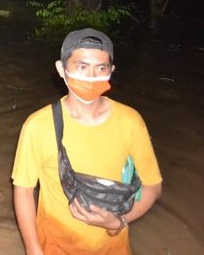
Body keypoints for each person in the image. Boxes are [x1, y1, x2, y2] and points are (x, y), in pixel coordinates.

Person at [12, 28, 162, 254]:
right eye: (82, 67)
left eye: (101, 68)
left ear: (111, 71)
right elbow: (23, 190)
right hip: (54, 246)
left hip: (113, 247)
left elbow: (153, 185)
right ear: (62, 70)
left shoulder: (131, 121)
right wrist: (33, 249)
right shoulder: (38, 126)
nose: (92, 76)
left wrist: (117, 222)